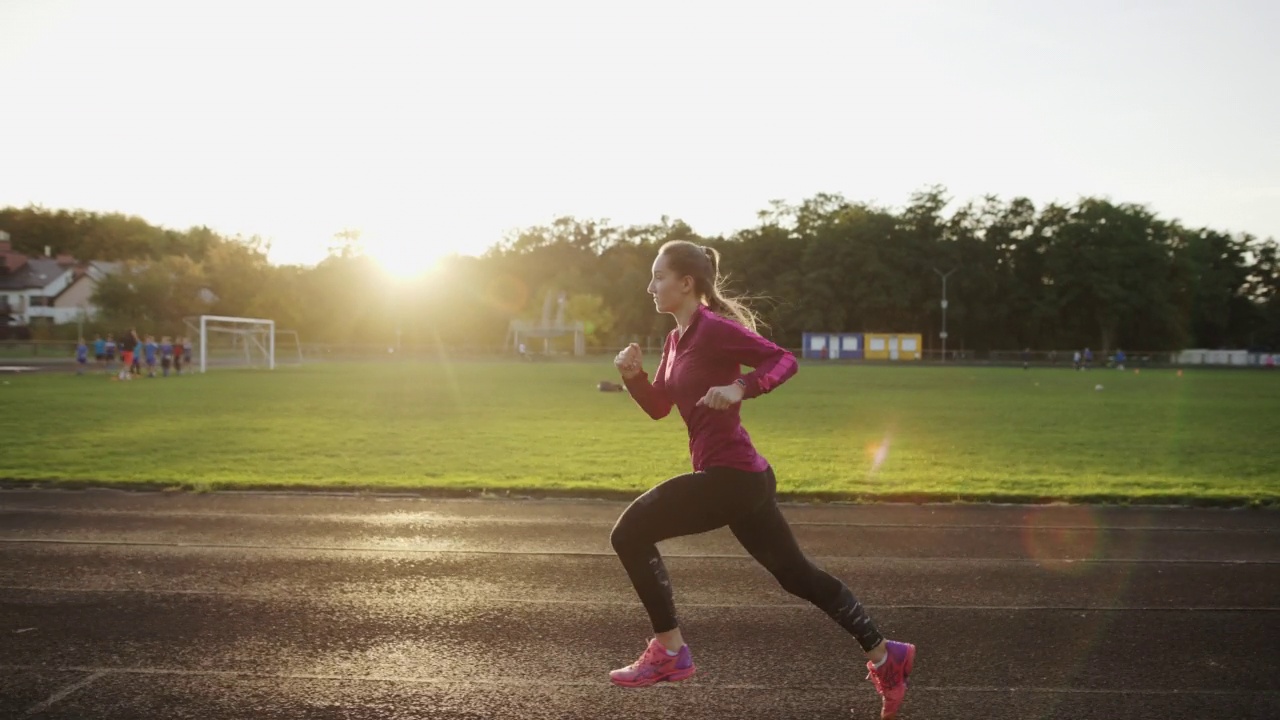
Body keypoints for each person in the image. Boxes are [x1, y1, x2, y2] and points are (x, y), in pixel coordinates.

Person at [609, 240, 915, 718]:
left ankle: (669, 651)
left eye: (658, 277)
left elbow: (783, 360)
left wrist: (740, 387)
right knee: (797, 576)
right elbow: (660, 407)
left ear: (686, 283)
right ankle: (884, 654)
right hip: (742, 480)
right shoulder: (675, 341)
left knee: (629, 532)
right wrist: (633, 378)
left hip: (731, 478)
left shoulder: (713, 330)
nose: (650, 287)